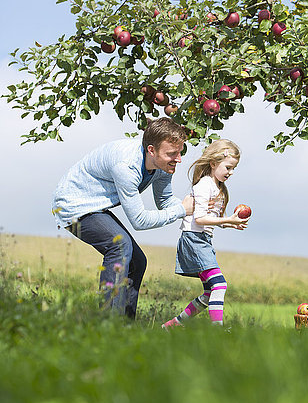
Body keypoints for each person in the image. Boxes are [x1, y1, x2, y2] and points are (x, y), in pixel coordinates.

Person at [51, 117, 194, 318]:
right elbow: (139, 221)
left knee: (137, 262)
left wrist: (197, 209)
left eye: (180, 152)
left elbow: (165, 200)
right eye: (172, 154)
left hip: (96, 206)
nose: (178, 159)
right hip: (73, 205)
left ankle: (126, 328)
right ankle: (109, 324)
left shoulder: (163, 166)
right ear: (151, 150)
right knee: (119, 246)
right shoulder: (127, 166)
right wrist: (181, 210)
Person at [161, 138, 248, 329]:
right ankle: (216, 331)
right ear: (213, 163)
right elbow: (199, 219)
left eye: (233, 168)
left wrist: (230, 223)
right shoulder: (204, 185)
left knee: (210, 293)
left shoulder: (218, 188)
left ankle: (172, 326)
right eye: (228, 167)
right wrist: (227, 220)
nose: (230, 172)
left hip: (203, 240)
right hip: (194, 240)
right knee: (220, 285)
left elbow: (211, 219)